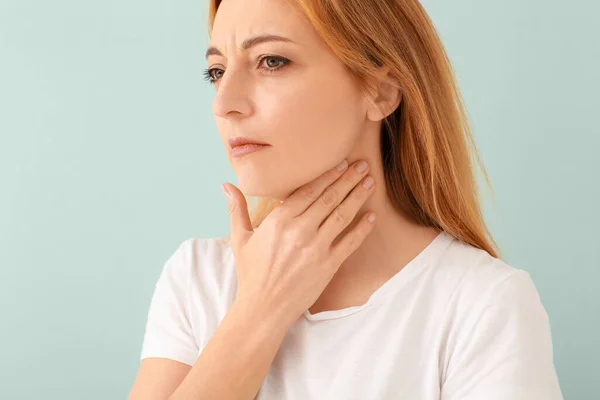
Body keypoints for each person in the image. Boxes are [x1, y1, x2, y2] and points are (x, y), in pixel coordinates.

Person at [129, 0, 563, 398]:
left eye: (271, 61)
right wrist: (259, 311)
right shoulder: (197, 280)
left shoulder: (482, 305)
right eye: (217, 71)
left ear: (380, 91)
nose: (223, 103)